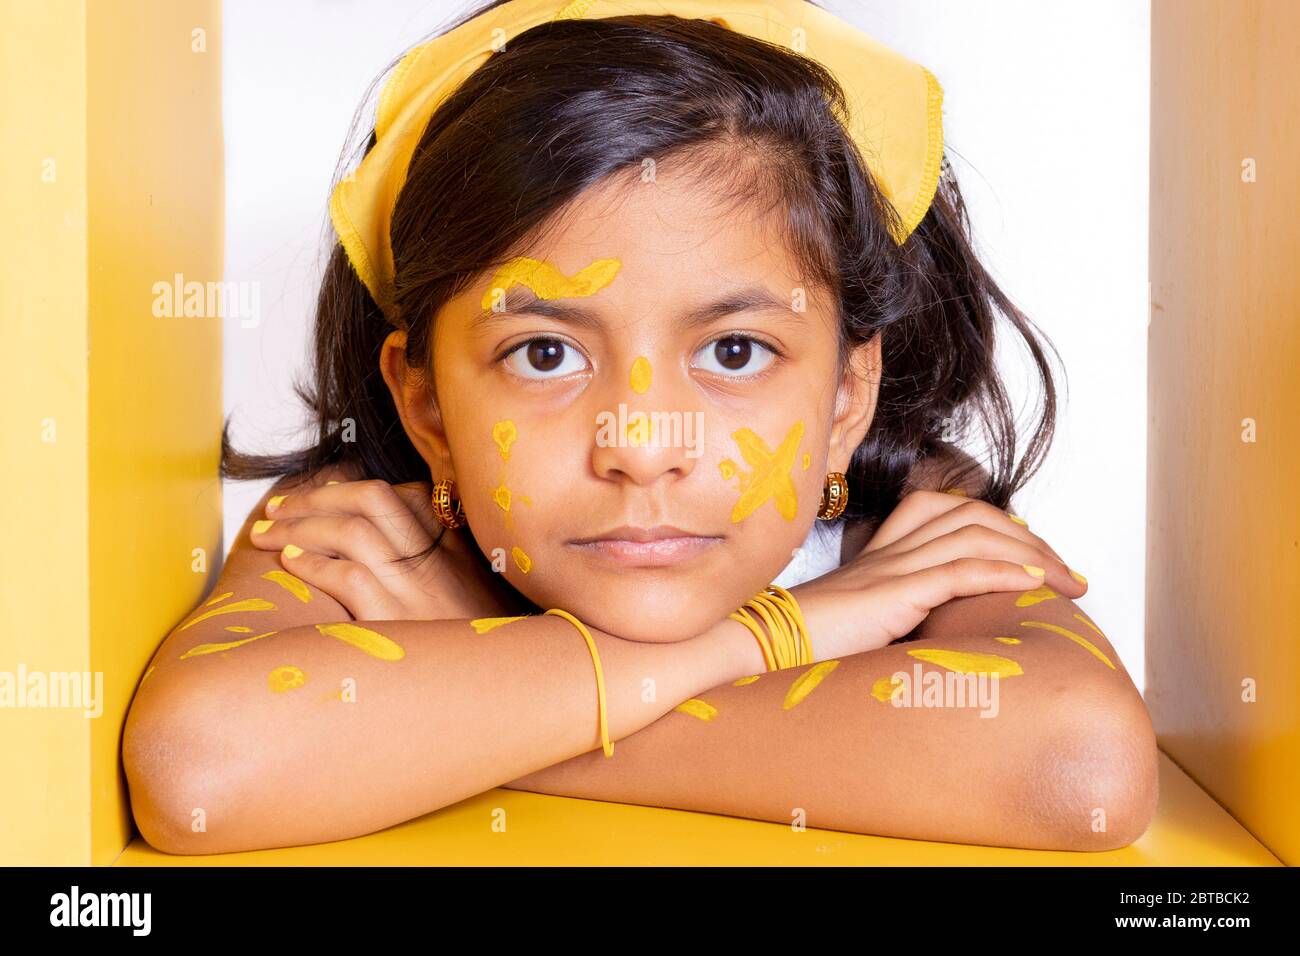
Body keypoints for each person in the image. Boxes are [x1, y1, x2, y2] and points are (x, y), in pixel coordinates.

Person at [123, 0, 1157, 856]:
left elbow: (1079, 768)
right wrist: (775, 638)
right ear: (426, 402)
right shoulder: (356, 530)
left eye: (736, 351)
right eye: (544, 354)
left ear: (846, 396)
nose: (643, 443)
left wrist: (457, 704)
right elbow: (204, 768)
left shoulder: (919, 525)